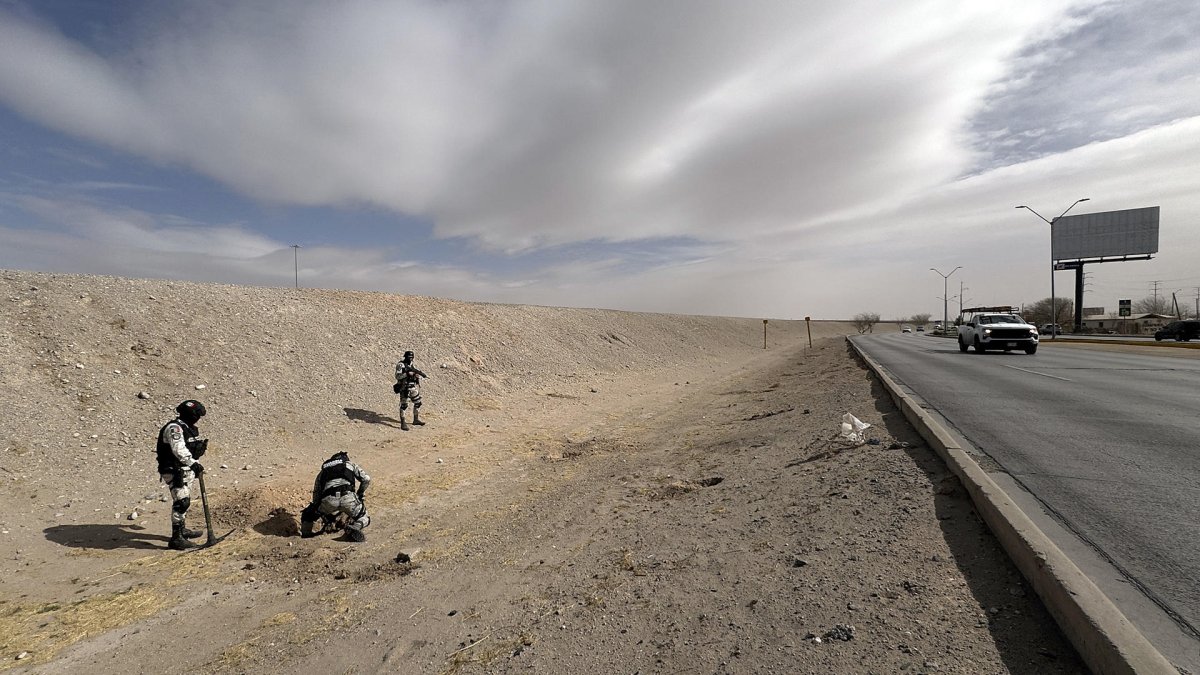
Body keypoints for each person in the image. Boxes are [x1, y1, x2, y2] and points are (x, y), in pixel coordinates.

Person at [156, 400, 208, 550]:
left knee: (185, 500)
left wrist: (193, 463)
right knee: (181, 502)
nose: (198, 419)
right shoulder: (174, 429)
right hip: (175, 470)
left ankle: (182, 529)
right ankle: (176, 538)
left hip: (184, 470)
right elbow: (178, 449)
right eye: (197, 415)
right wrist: (193, 463)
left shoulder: (186, 428)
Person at [300, 451, 371, 542]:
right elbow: (366, 479)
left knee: (307, 515)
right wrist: (360, 494)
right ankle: (356, 526)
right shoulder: (350, 465)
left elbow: (317, 494)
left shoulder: (323, 471)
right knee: (364, 517)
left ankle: (305, 537)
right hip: (348, 498)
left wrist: (320, 512)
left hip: (328, 500)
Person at [393, 349, 428, 431]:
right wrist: (407, 374)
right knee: (404, 405)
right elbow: (397, 376)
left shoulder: (411, 365)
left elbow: (414, 373)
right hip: (404, 387)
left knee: (418, 403)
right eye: (409, 357)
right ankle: (403, 423)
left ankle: (416, 419)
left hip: (412, 387)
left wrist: (416, 376)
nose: (410, 359)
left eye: (412, 357)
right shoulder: (401, 365)